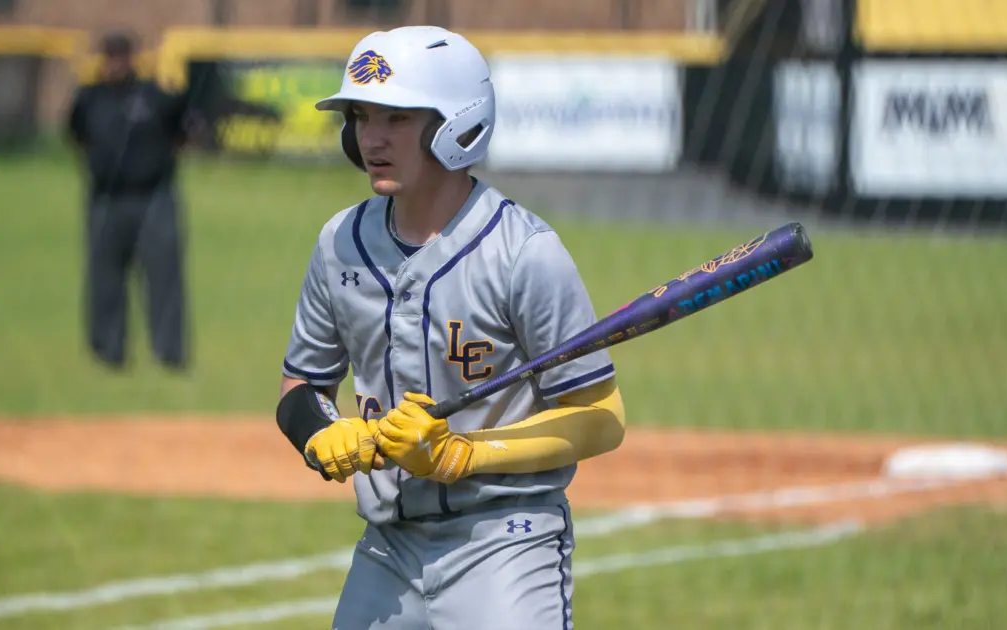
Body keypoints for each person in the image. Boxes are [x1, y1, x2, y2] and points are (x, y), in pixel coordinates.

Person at [275, 26, 627, 629]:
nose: (372, 137)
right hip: (388, 548)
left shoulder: (524, 253)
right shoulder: (340, 243)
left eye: (397, 117)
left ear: (455, 126)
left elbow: (601, 416)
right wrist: (323, 433)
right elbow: (300, 386)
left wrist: (462, 454)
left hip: (507, 541)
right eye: (361, 117)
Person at [66, 31, 192, 371]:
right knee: (105, 277)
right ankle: (108, 351)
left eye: (120, 57)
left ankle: (169, 352)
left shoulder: (153, 96)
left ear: (130, 59)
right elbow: (76, 135)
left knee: (164, 276)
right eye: (110, 57)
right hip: (106, 197)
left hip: (153, 196)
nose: (115, 64)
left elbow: (182, 130)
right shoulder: (90, 98)